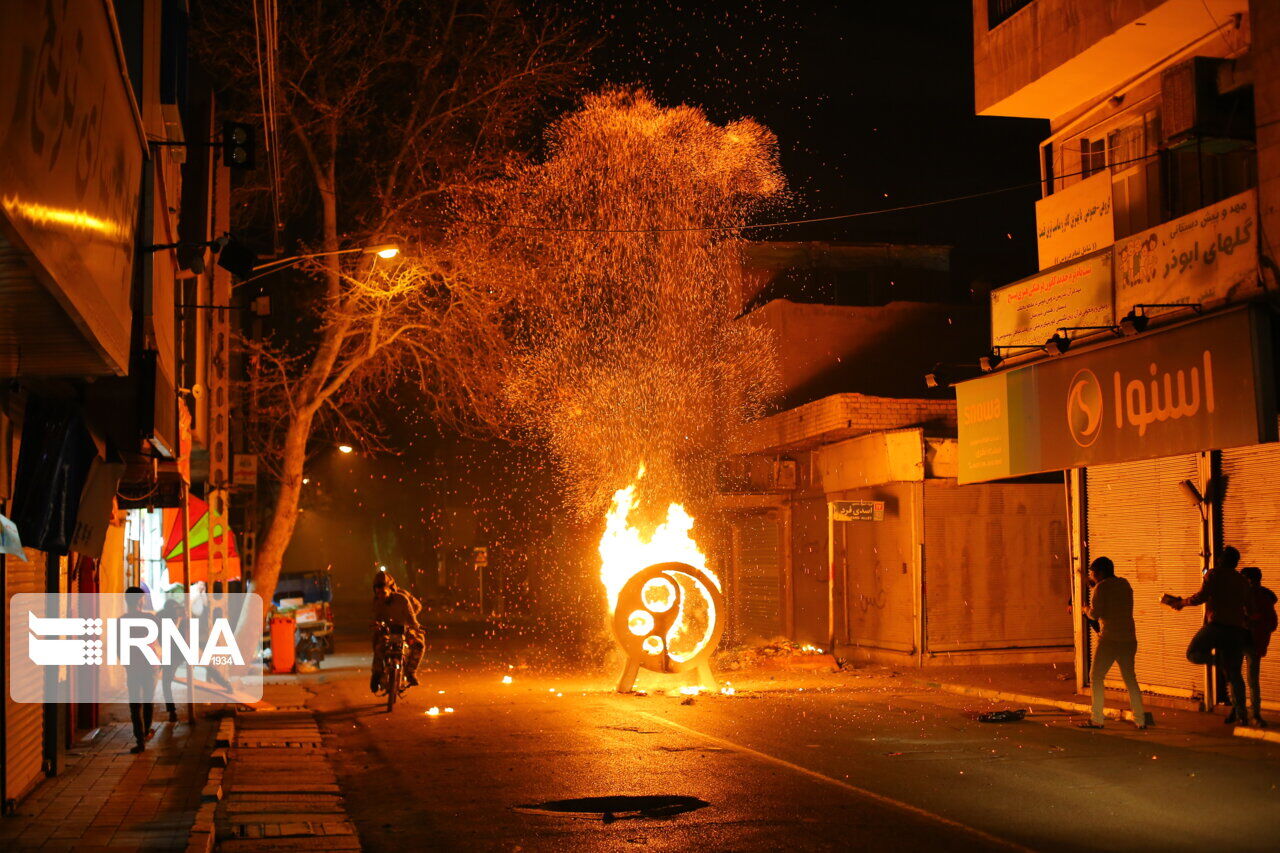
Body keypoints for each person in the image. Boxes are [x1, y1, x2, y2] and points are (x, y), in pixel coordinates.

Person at [1164, 546, 1252, 726]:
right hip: (1236, 630)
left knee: (1193, 653)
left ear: (1221, 560)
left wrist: (1181, 602)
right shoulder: (1243, 581)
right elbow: (1248, 607)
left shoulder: (1214, 575)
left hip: (1217, 627)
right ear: (1236, 562)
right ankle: (1241, 713)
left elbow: (1200, 597)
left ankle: (1218, 661)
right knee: (1235, 674)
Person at [1079, 557, 1146, 730]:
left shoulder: (1101, 587)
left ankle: (1097, 719)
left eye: (1093, 573)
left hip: (1110, 639)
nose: (1092, 576)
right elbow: (1111, 596)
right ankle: (1140, 720)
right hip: (1129, 639)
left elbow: (1095, 614)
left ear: (1100, 573)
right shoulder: (1124, 583)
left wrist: (1085, 609)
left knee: (1096, 677)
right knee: (1130, 679)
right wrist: (1090, 583)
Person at [371, 572, 425, 692]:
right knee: (379, 647)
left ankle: (411, 672)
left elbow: (412, 616)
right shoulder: (377, 602)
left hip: (404, 628)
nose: (381, 596)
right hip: (388, 630)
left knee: (419, 644)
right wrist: (376, 626)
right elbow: (375, 618)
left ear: (390, 589)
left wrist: (415, 627)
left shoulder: (402, 598)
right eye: (378, 593)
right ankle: (376, 675)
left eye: (383, 592)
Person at [1240, 566, 1277, 727]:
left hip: (1248, 641)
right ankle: (1249, 714)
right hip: (1248, 641)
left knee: (1247, 679)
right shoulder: (1260, 596)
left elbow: (1271, 623)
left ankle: (1251, 714)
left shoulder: (1260, 597)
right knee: (1247, 680)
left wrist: (1253, 623)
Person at [123, 587, 158, 753]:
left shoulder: (122, 620)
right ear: (140, 600)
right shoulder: (150, 618)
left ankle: (140, 741)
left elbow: (118, 646)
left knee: (135, 705)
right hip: (150, 667)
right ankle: (145, 734)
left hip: (133, 667)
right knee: (148, 701)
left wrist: (127, 663)